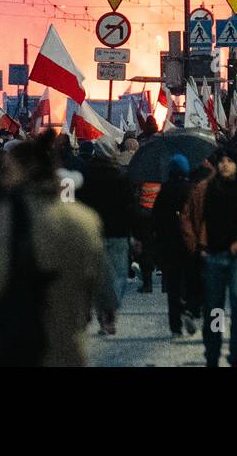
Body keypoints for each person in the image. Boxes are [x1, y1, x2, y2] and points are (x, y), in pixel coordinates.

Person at [0, 130, 111, 366]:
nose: (2, 178)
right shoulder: (86, 217)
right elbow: (98, 273)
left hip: (27, 337)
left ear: (25, 171)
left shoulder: (15, 214)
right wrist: (106, 308)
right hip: (70, 340)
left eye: (7, 170)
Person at [180, 146, 237, 367]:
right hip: (213, 255)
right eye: (222, 160)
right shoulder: (204, 189)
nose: (225, 164)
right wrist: (197, 247)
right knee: (215, 309)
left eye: (229, 160)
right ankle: (213, 351)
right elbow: (187, 218)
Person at [76, 135, 133, 334]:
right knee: (118, 276)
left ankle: (92, 311)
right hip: (117, 234)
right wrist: (134, 234)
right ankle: (108, 313)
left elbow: (79, 206)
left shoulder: (85, 177)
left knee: (91, 275)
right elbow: (129, 209)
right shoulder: (122, 178)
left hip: (92, 233)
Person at [152, 154, 199, 338]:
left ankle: (175, 326)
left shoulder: (165, 191)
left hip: (169, 244)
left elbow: (156, 219)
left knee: (172, 285)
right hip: (189, 243)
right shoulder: (192, 190)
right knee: (191, 280)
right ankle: (189, 308)